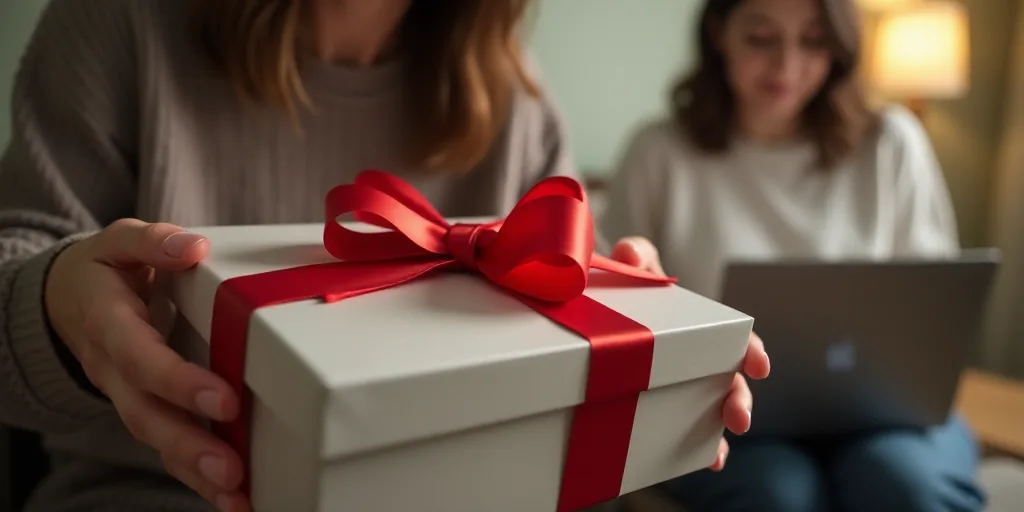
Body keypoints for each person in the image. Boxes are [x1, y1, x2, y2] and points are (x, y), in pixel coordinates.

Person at [0, 1, 769, 511]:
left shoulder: (518, 105)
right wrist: (56, 312)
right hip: (156, 488)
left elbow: (557, 341)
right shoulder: (117, 27)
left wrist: (649, 322)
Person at [601, 0, 985, 511]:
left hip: (886, 416)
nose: (786, 66)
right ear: (719, 34)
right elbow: (611, 305)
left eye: (813, 41)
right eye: (761, 39)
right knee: (776, 495)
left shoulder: (892, 143)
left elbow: (931, 308)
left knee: (906, 486)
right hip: (730, 417)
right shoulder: (659, 152)